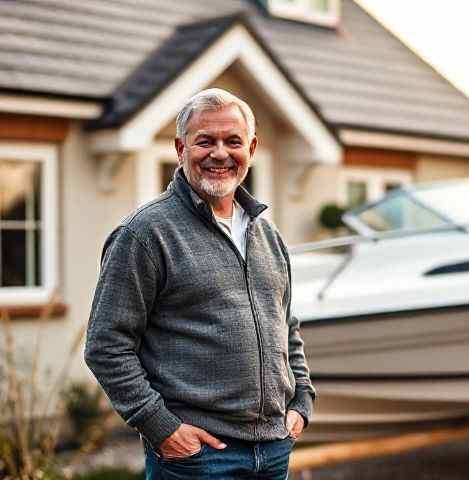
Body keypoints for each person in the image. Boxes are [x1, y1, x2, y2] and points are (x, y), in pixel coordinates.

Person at [84, 88, 314, 479]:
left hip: (274, 451)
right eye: (205, 141)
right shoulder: (145, 234)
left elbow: (286, 328)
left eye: (233, 141)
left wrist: (302, 401)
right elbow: (106, 345)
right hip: (198, 459)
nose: (220, 153)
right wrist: (161, 427)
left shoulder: (268, 234)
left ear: (252, 148)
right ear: (180, 148)